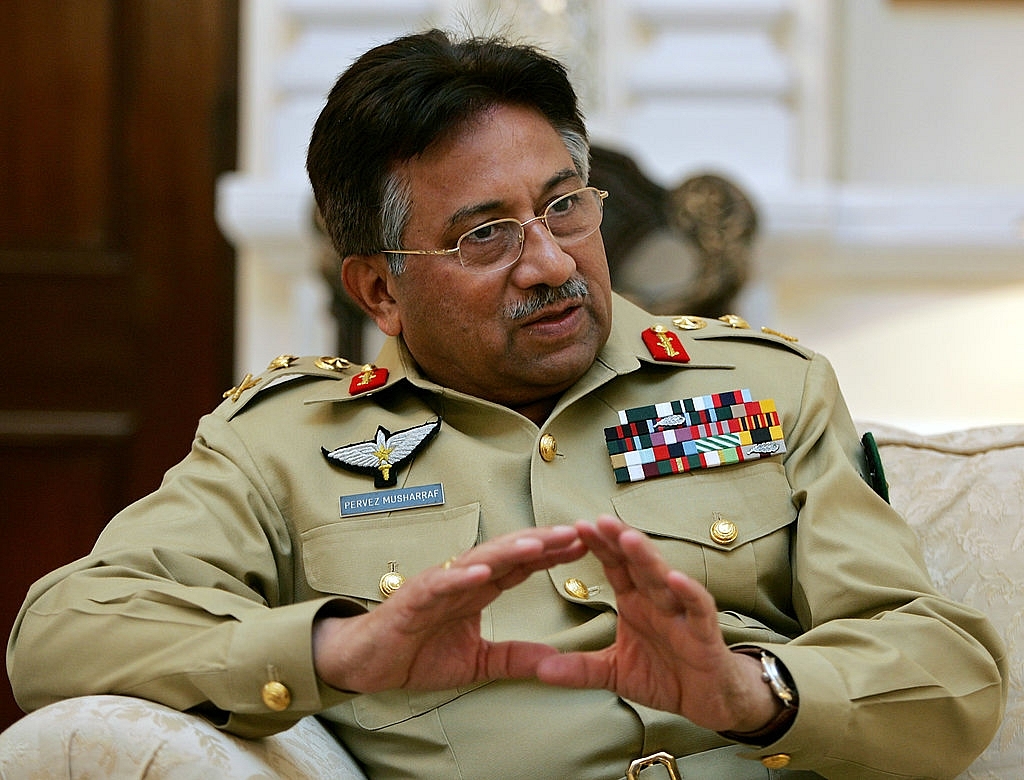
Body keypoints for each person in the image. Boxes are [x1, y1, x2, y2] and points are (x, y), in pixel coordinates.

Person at [7, 29, 1006, 780]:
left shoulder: (762, 391)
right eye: (483, 236)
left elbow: (945, 670)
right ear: (380, 291)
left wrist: (753, 692)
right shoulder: (285, 444)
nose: (549, 261)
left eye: (564, 205)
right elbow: (64, 632)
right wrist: (336, 649)